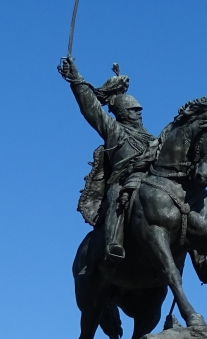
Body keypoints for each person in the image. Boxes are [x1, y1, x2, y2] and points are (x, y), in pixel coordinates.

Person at [57, 56, 157, 260]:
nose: (138, 114)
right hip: (122, 183)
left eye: (139, 111)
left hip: (151, 184)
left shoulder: (153, 139)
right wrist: (76, 78)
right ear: (121, 112)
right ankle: (113, 243)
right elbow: (91, 108)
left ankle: (202, 256)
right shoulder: (115, 131)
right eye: (133, 111)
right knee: (115, 197)